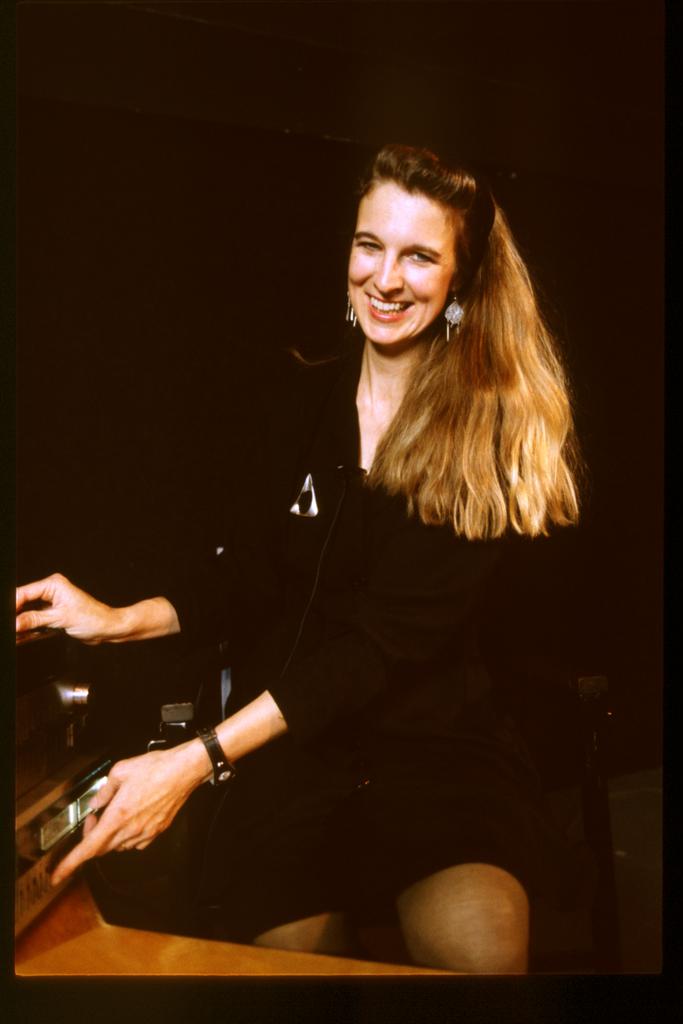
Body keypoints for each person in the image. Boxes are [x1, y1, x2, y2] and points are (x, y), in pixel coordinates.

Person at [16, 144, 582, 974]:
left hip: (438, 763)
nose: (385, 279)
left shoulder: (486, 431)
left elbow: (375, 649)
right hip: (295, 768)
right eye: (370, 245)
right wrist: (114, 622)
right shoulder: (298, 401)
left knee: (481, 966)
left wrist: (197, 760)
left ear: (459, 280)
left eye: (420, 256)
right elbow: (247, 574)